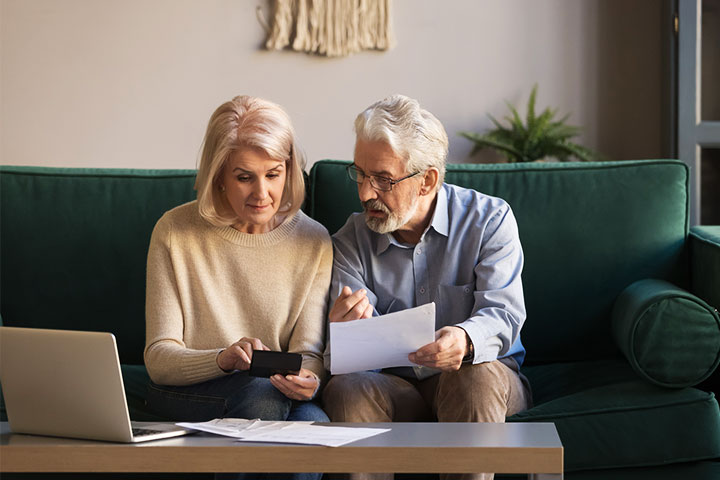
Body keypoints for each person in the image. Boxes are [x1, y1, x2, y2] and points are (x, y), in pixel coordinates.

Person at [321, 94, 532, 480]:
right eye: (360, 174)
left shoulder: (489, 221)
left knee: (475, 375)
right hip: (393, 386)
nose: (365, 193)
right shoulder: (350, 239)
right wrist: (342, 330)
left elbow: (504, 315)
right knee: (348, 389)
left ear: (427, 180)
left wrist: (466, 341)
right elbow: (343, 359)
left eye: (383, 179)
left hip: (481, 380)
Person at [144, 95, 332, 480]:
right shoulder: (174, 232)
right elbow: (159, 359)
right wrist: (223, 358)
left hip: (274, 395)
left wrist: (308, 380)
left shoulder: (315, 241)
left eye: (273, 174)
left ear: (289, 170)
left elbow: (308, 353)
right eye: (244, 177)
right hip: (189, 390)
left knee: (313, 422)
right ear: (219, 175)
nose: (262, 193)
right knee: (261, 396)